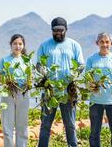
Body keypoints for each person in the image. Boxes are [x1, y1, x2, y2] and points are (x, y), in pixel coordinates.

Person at [37, 17, 84, 147]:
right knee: (45, 124)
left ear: (66, 29)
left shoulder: (74, 45)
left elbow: (81, 65)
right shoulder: (44, 45)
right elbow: (38, 65)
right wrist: (45, 73)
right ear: (51, 30)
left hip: (68, 91)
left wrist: (73, 74)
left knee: (70, 124)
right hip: (49, 91)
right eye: (55, 30)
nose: (58, 32)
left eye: (60, 30)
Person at [86, 32, 112, 147]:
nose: (104, 44)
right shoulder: (91, 59)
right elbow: (87, 79)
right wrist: (90, 85)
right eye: (102, 42)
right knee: (94, 134)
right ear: (97, 43)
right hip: (96, 101)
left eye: (107, 42)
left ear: (111, 44)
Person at [0, 34, 30, 147]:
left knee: (22, 125)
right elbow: (0, 78)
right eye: (15, 44)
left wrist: (28, 83)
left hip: (23, 93)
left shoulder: (27, 60)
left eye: (20, 44)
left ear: (23, 45)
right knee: (7, 126)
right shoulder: (4, 60)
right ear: (11, 45)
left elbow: (30, 78)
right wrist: (9, 81)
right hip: (7, 93)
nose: (18, 46)